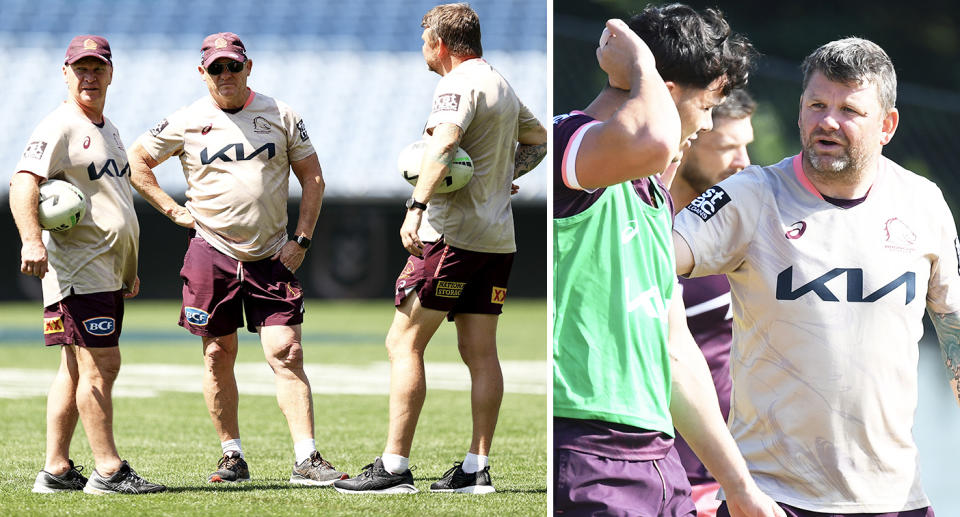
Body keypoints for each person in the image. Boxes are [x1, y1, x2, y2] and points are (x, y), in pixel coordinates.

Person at [673, 37, 959, 516]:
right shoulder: (750, 196)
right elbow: (647, 259)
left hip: (896, 499)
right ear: (800, 112)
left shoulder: (923, 202)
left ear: (887, 125)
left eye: (850, 109)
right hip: (770, 499)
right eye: (817, 104)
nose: (829, 120)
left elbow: (954, 330)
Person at [553, 5, 783, 517]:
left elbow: (676, 350)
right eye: (706, 106)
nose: (706, 124)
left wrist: (740, 487)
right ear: (667, 90)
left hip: (660, 462)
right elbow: (654, 141)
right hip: (585, 452)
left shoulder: (654, 199)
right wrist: (639, 61)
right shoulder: (569, 140)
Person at [333, 3, 547, 495]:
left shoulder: (455, 84)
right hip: (498, 241)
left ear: (442, 44)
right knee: (480, 352)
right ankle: (476, 469)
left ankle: (393, 468)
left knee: (402, 343)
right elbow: (536, 139)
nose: (423, 48)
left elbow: (445, 143)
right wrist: (505, 176)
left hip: (450, 238)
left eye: (425, 38)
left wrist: (416, 204)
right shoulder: (500, 82)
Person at [127, 32, 346, 486]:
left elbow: (314, 179)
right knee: (217, 354)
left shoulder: (282, 114)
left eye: (233, 66)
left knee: (287, 351)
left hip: (272, 252)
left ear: (249, 67)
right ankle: (232, 455)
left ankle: (306, 458)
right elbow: (137, 162)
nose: (225, 75)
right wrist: (170, 209)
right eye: (216, 68)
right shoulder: (187, 119)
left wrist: (301, 240)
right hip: (212, 251)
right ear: (202, 72)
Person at [11, 35, 164, 495]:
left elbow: (113, 203)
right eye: (81, 68)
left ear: (111, 73)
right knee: (102, 364)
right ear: (65, 73)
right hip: (78, 269)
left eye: (98, 68)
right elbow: (23, 182)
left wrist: (126, 267)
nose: (90, 76)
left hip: (104, 270)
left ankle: (56, 471)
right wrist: (31, 241)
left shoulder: (108, 128)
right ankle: (109, 471)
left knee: (75, 369)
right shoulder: (58, 125)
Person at [668, 88, 756, 517]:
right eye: (727, 147)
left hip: (744, 468)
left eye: (747, 146)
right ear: (687, 141)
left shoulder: (753, 227)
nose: (744, 162)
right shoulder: (642, 229)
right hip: (670, 468)